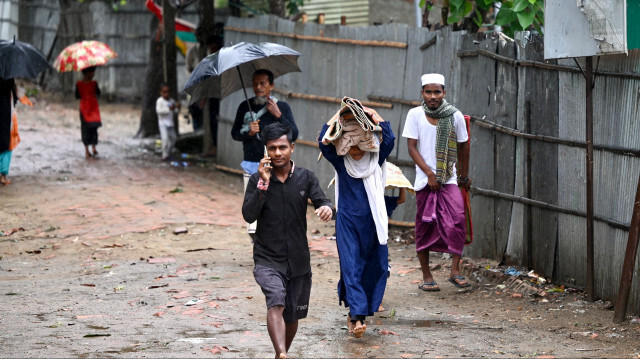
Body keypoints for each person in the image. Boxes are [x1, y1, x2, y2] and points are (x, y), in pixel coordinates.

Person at [242, 122, 334, 359]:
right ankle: (281, 352)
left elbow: (323, 200)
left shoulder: (306, 177)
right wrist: (263, 182)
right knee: (276, 301)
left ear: (292, 147)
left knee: (292, 316)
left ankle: (280, 355)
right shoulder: (257, 180)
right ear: (266, 151)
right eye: (272, 148)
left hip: (298, 260)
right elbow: (248, 215)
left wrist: (326, 209)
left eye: (282, 147)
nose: (278, 153)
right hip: (267, 258)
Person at [318, 103, 395, 338]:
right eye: (350, 144)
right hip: (348, 222)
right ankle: (358, 315)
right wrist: (340, 116)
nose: (356, 150)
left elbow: (389, 139)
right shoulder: (342, 164)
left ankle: (359, 311)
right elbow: (323, 141)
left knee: (376, 266)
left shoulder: (377, 159)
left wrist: (372, 114)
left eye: (361, 143)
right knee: (351, 266)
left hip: (373, 222)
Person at [401, 73, 471, 292]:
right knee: (424, 226)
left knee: (458, 219)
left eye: (437, 92)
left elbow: (464, 145)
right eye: (428, 92)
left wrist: (463, 177)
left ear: (444, 93)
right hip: (424, 180)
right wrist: (429, 174)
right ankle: (427, 275)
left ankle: (455, 270)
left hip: (449, 178)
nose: (433, 96)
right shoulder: (415, 115)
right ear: (422, 93)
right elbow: (412, 147)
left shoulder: (455, 115)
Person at [232, 69, 298, 236]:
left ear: (271, 85)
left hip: (276, 165)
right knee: (253, 203)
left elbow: (294, 134)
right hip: (252, 163)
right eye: (255, 84)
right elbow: (234, 134)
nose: (258, 87)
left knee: (275, 203)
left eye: (262, 83)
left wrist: (279, 115)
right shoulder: (244, 107)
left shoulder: (281, 107)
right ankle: (257, 243)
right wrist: (250, 133)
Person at [75, 66, 102, 158]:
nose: (93, 74)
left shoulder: (79, 84)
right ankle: (89, 149)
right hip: (90, 109)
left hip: (88, 108)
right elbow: (98, 93)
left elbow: (77, 96)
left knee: (89, 129)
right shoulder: (93, 84)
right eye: (91, 72)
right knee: (90, 129)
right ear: (86, 73)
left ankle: (91, 149)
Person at [156, 83, 181, 161]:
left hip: (170, 124)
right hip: (163, 123)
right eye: (164, 92)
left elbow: (175, 111)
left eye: (168, 92)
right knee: (165, 139)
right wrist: (169, 109)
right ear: (161, 92)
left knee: (173, 139)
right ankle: (164, 155)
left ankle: (169, 153)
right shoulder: (160, 101)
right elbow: (158, 111)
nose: (166, 94)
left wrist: (178, 108)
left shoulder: (171, 100)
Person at [0, 78, 17, 186]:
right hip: (5, 113)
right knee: (6, 143)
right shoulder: (8, 76)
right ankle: (3, 175)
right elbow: (14, 98)